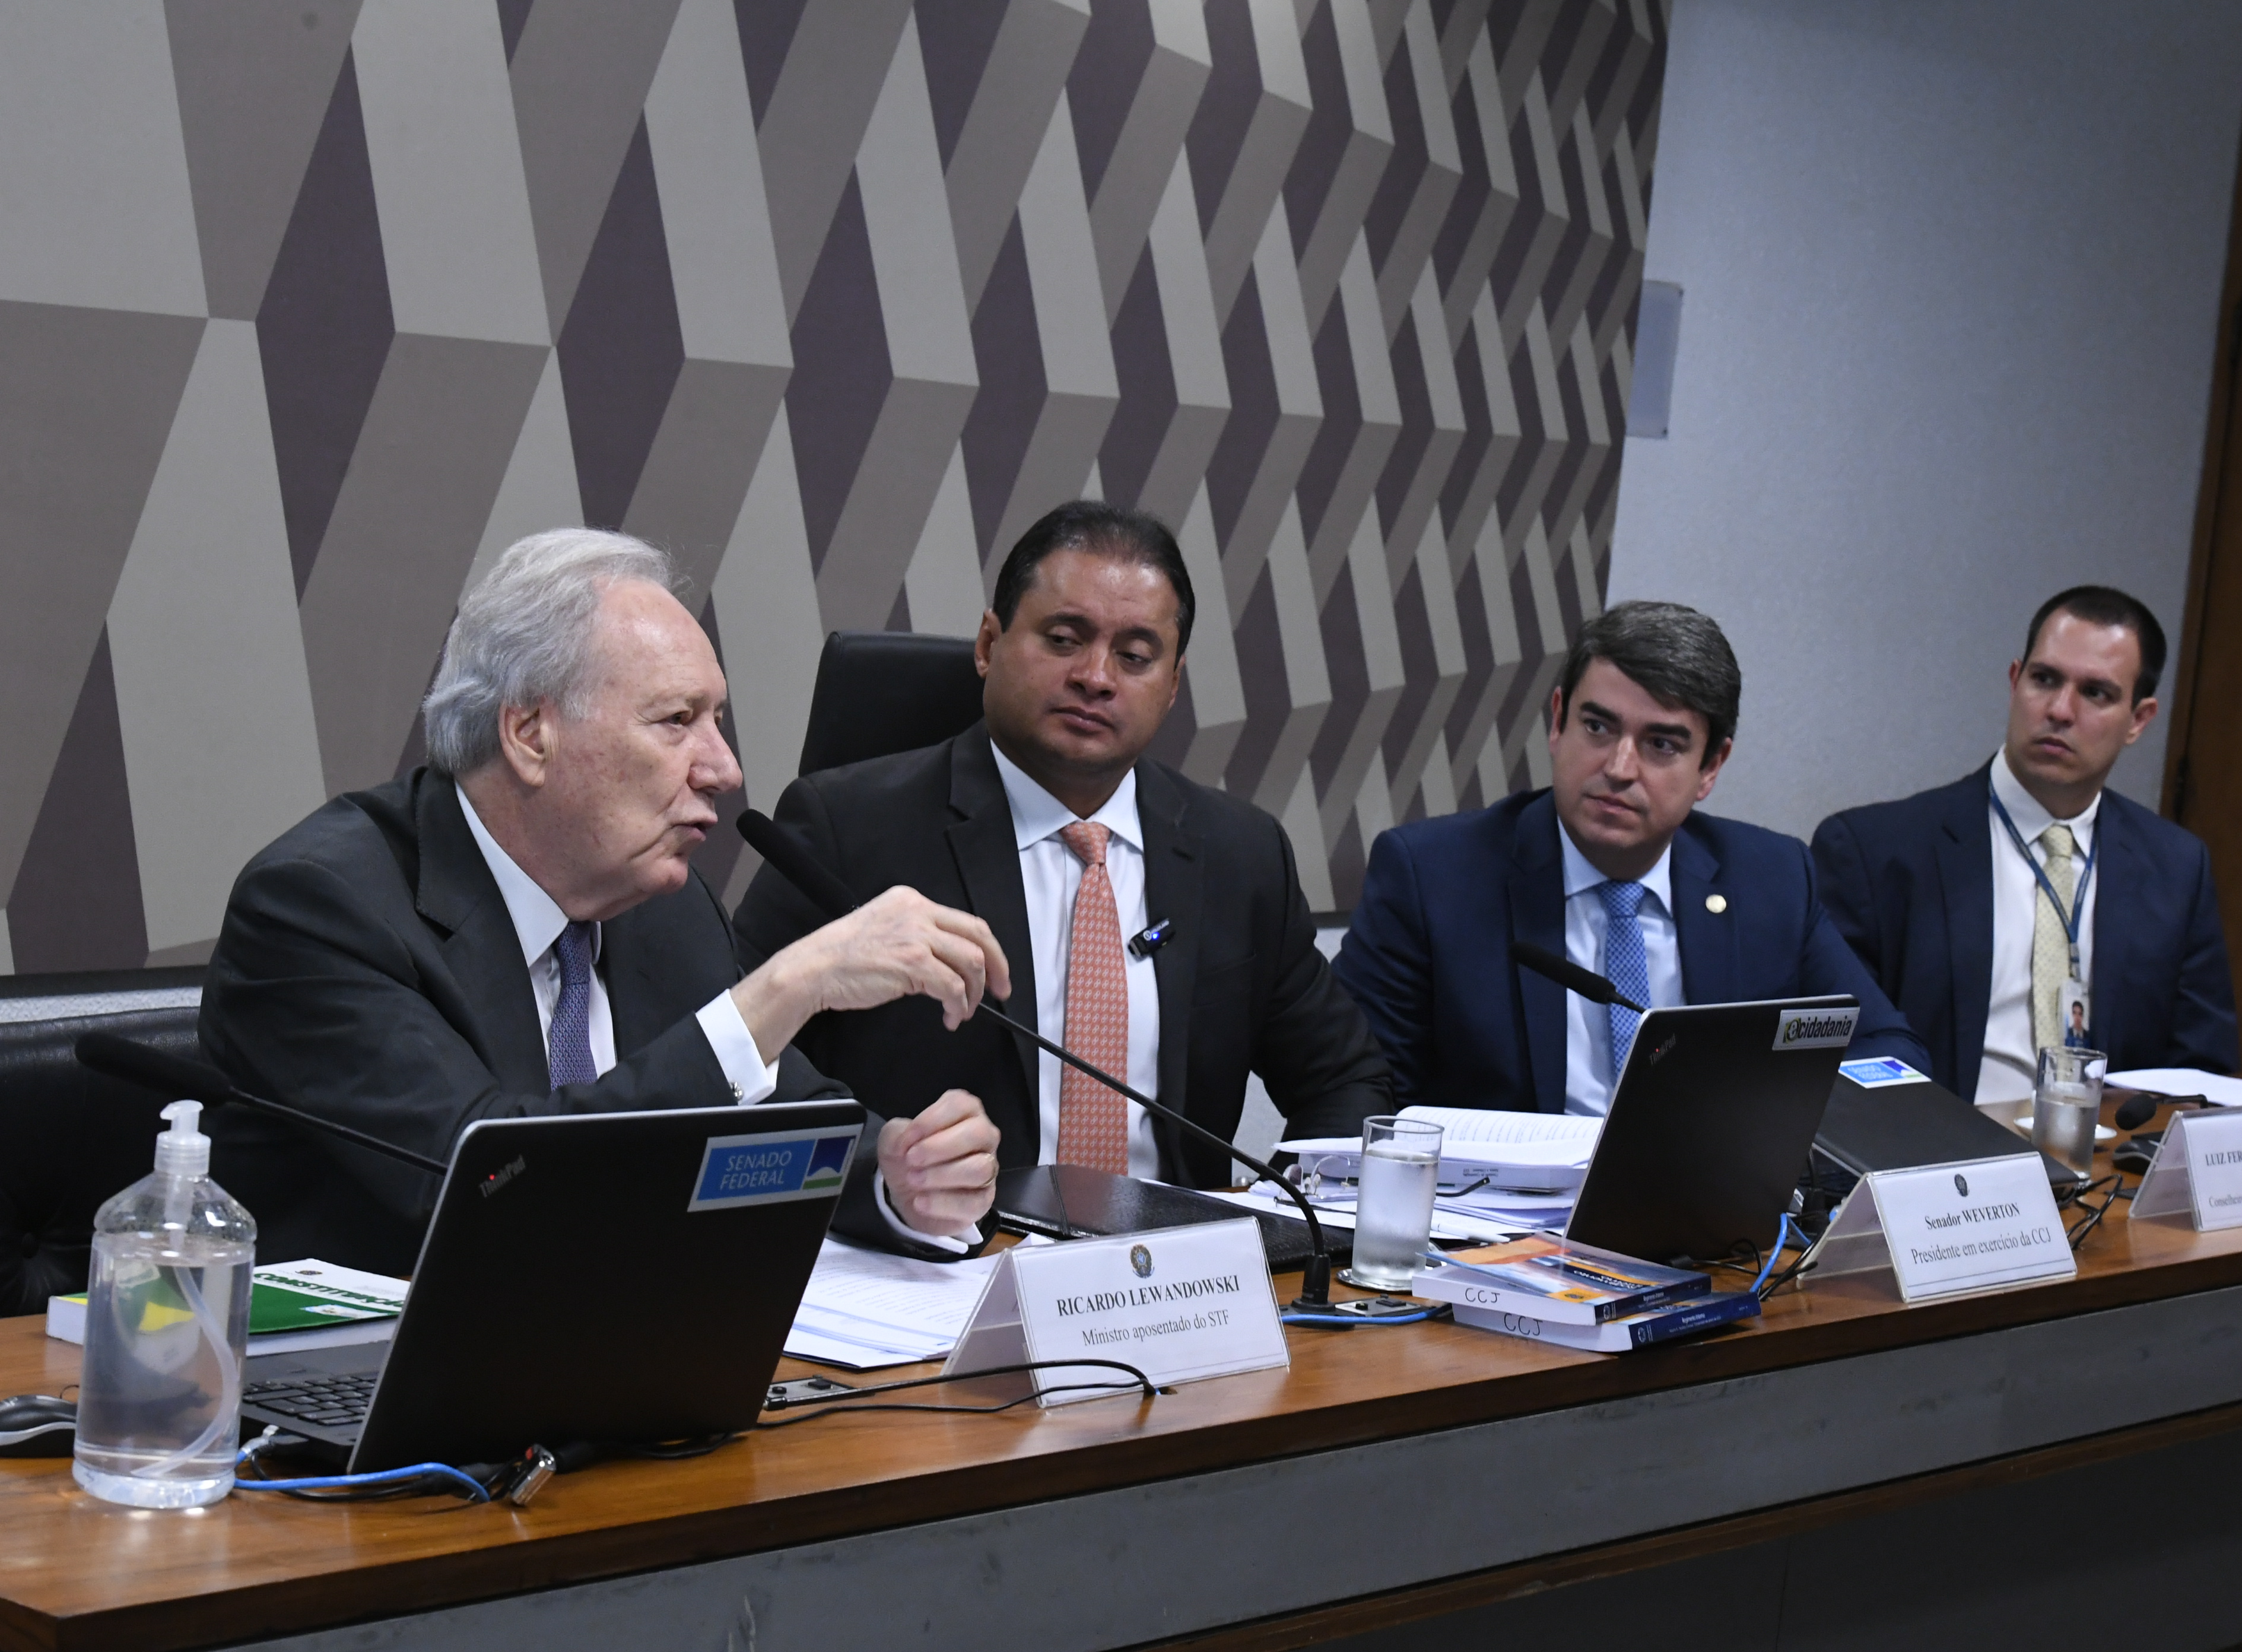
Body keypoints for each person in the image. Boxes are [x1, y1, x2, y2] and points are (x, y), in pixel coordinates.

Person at [198, 530, 1009, 1275]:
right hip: (360, 1399)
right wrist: (786, 988)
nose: (723, 769)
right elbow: (499, 1183)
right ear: (529, 736)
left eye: (716, 719)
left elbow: (782, 1124)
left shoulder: (662, 904)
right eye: (676, 721)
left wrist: (896, 1174)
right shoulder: (320, 908)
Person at [733, 501, 1391, 1186]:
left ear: (1172, 686)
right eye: (1064, 639)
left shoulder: (1241, 853)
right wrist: (883, 1177)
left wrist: (1287, 1222)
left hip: (1172, 1272)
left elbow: (1347, 1080)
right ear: (988, 646)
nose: (1096, 677)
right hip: (941, 1264)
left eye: (1135, 657)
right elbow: (743, 1062)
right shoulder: (847, 828)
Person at [1333, 601, 1927, 1116]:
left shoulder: (1770, 879)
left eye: (1661, 744)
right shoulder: (1432, 877)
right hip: (1493, 1233)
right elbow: (1359, 1091)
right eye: (1598, 727)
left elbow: (1887, 1055)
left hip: (1707, 1230)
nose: (1619, 768)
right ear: (1558, 721)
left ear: (1711, 767)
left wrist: (1774, 1135)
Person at [1810, 586, 2238, 1103]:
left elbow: (2201, 1071)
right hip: (1944, 1162)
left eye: (2096, 693)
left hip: (2107, 1169)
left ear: (2139, 720)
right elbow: (1835, 1061)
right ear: (2015, 682)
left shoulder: (2176, 866)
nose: (2060, 710)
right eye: (2045, 680)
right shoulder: (1875, 853)